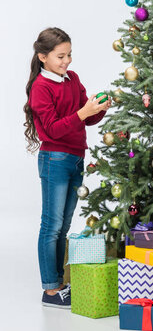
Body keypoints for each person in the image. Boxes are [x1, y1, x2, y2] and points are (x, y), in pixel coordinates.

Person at [24, 27, 112, 308]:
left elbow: (85, 120)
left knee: (63, 226)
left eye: (69, 55)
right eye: (60, 56)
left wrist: (98, 109)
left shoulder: (72, 79)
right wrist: (82, 113)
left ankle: (59, 283)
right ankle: (50, 289)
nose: (67, 61)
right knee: (50, 225)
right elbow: (50, 131)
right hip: (55, 160)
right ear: (43, 57)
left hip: (75, 157)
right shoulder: (41, 87)